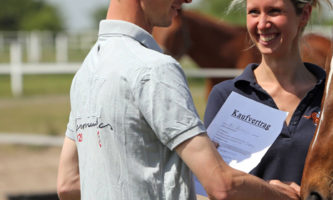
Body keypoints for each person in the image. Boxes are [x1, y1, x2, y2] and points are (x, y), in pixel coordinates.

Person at [55, 0, 300, 199]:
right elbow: (221, 185)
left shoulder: (86, 72)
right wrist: (279, 194)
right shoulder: (155, 69)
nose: (188, 0)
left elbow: (68, 184)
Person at [199, 0, 327, 188]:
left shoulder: (331, 95)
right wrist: (269, 193)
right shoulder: (226, 96)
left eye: (274, 11)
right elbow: (214, 186)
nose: (262, 24)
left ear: (305, 14)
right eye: (254, 12)